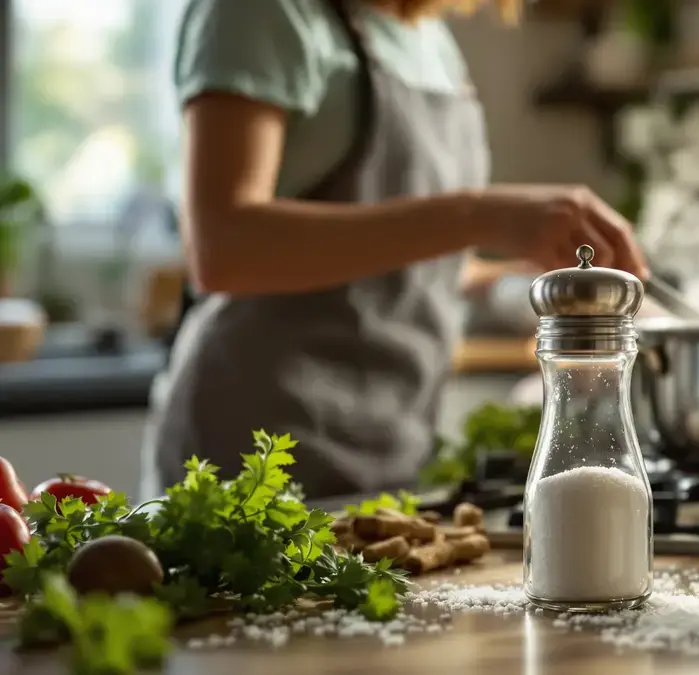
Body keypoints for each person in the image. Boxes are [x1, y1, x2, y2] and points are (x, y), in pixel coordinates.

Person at [142, 0, 650, 501]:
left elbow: (409, 268)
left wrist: (531, 287)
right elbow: (222, 246)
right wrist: (484, 215)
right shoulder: (259, 12)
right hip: (256, 447)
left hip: (392, 453)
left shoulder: (428, 39)